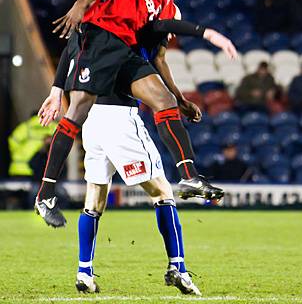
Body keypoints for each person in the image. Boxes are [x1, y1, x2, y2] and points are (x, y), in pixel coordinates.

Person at [35, 0, 237, 227]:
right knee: (77, 114)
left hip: (125, 51)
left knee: (164, 101)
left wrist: (180, 98)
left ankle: (189, 177)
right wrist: (79, 7)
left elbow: (159, 56)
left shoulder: (168, 4)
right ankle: (45, 196)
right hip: (101, 39)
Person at [38, 16, 206, 294]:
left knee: (95, 198)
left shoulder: (90, 23)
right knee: (163, 193)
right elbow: (158, 55)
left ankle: (84, 272)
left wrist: (56, 90)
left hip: (90, 118)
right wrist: (203, 33)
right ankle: (178, 267)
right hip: (120, 118)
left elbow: (70, 48)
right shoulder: (132, 20)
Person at [8, 111, 56, 177]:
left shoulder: (26, 127)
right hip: (45, 171)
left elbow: (12, 142)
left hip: (20, 169)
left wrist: (20, 153)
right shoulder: (53, 127)